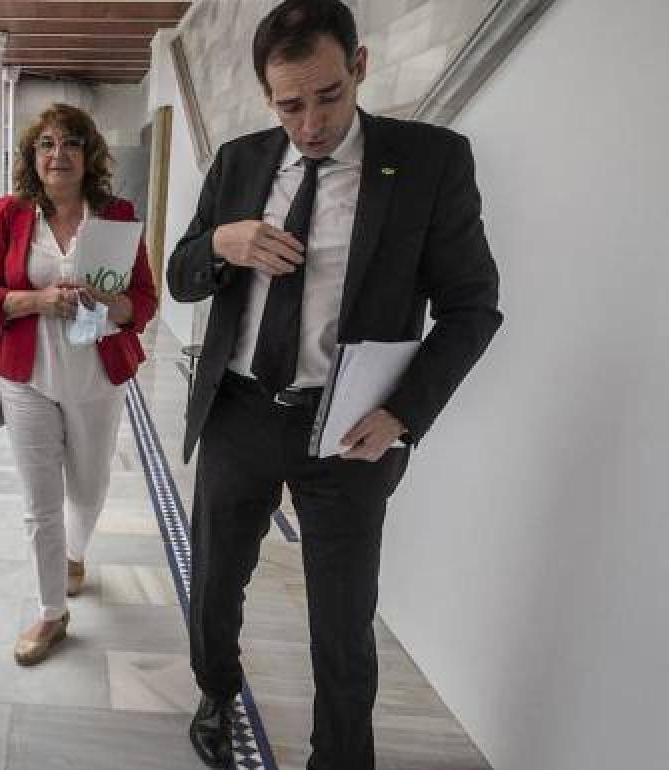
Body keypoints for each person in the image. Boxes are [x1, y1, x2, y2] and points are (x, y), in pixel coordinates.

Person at [166, 2, 502, 768]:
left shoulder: (429, 163)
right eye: (290, 104)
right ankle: (215, 691)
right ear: (265, 95)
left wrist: (403, 414)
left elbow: (472, 307)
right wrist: (221, 243)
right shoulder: (241, 163)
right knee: (216, 582)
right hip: (240, 413)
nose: (310, 123)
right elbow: (183, 276)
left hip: (349, 427)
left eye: (328, 96)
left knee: (344, 623)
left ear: (359, 67)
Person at [0, 103, 157, 666]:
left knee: (90, 487)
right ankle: (53, 612)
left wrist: (112, 303)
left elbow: (144, 300)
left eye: (71, 143)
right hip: (27, 375)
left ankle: (76, 553)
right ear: (33, 155)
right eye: (47, 143)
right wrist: (38, 301)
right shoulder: (8, 214)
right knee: (40, 503)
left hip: (98, 374)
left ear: (88, 153)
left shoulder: (117, 214)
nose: (58, 154)